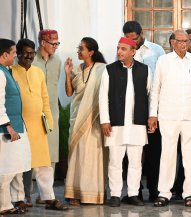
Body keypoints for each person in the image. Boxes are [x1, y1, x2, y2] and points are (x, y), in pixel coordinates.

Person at [12, 38, 68, 211]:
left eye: (31, 53)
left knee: (44, 164)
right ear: (18, 54)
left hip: (39, 125)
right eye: (25, 53)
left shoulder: (38, 72)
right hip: (21, 126)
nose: (29, 56)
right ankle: (19, 198)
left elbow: (45, 98)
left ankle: (48, 198)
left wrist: (49, 121)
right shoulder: (11, 72)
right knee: (19, 165)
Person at [149, 30, 191, 207]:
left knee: (190, 156)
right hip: (168, 115)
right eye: (179, 41)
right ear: (172, 42)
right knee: (168, 154)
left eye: (186, 41)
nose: (183, 44)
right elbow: (155, 89)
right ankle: (164, 193)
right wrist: (153, 114)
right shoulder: (163, 61)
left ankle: (189, 193)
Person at [99, 37, 152, 207]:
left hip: (137, 123)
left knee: (136, 162)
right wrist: (105, 121)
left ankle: (133, 194)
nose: (119, 52)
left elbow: (150, 95)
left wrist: (151, 116)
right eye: (118, 48)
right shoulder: (109, 70)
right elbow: (103, 97)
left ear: (133, 51)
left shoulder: (145, 70)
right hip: (116, 123)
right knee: (115, 161)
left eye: (123, 48)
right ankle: (115, 195)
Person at [123, 21, 165, 201]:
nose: (133, 42)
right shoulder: (123, 51)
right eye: (129, 39)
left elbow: (162, 79)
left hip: (153, 107)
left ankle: (155, 191)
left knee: (154, 151)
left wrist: (155, 110)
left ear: (142, 33)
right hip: (130, 108)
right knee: (130, 152)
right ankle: (135, 191)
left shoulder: (157, 51)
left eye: (135, 38)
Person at [63, 37, 107, 205]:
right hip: (77, 116)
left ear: (91, 52)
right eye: (78, 48)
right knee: (76, 154)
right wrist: (67, 73)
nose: (78, 51)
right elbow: (69, 93)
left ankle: (93, 193)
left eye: (81, 48)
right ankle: (74, 192)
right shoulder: (76, 69)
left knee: (92, 155)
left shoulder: (102, 69)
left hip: (94, 118)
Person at [25, 29, 61, 205]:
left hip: (51, 113)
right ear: (43, 43)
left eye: (57, 44)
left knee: (51, 154)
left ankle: (46, 194)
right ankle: (26, 193)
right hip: (32, 115)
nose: (55, 47)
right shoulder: (30, 60)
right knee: (30, 153)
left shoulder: (58, 62)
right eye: (53, 44)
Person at [0, 38, 31, 215]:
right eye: (13, 53)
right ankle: (3, 205)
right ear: (4, 54)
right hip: (6, 128)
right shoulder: (0, 73)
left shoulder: (6, 71)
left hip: (16, 126)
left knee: (14, 166)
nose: (15, 56)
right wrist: (8, 126)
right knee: (6, 168)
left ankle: (8, 202)